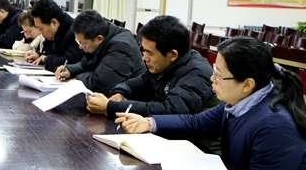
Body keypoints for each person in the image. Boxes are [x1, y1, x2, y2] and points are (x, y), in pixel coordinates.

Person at [116, 37, 306, 170]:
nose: (212, 80)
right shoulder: (241, 101)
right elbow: (196, 123)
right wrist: (149, 123)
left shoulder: (275, 125)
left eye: (219, 75)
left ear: (247, 84)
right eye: (214, 72)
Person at [85, 15, 217, 116]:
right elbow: (139, 82)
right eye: (143, 51)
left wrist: (111, 107)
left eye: (149, 53)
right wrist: (120, 93)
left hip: (196, 141)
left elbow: (170, 110)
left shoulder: (197, 73)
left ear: (172, 54)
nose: (144, 58)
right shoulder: (164, 64)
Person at [55, 9, 144, 94]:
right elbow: (88, 63)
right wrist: (70, 70)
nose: (80, 47)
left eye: (83, 43)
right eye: (78, 42)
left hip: (131, 99)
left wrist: (75, 78)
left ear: (99, 39)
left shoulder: (121, 47)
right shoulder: (104, 33)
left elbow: (100, 84)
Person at [25, 0, 83, 71]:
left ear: (54, 22)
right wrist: (38, 55)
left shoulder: (75, 32)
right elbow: (49, 53)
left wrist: (46, 59)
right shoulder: (53, 32)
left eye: (41, 29)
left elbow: (69, 61)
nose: (40, 33)